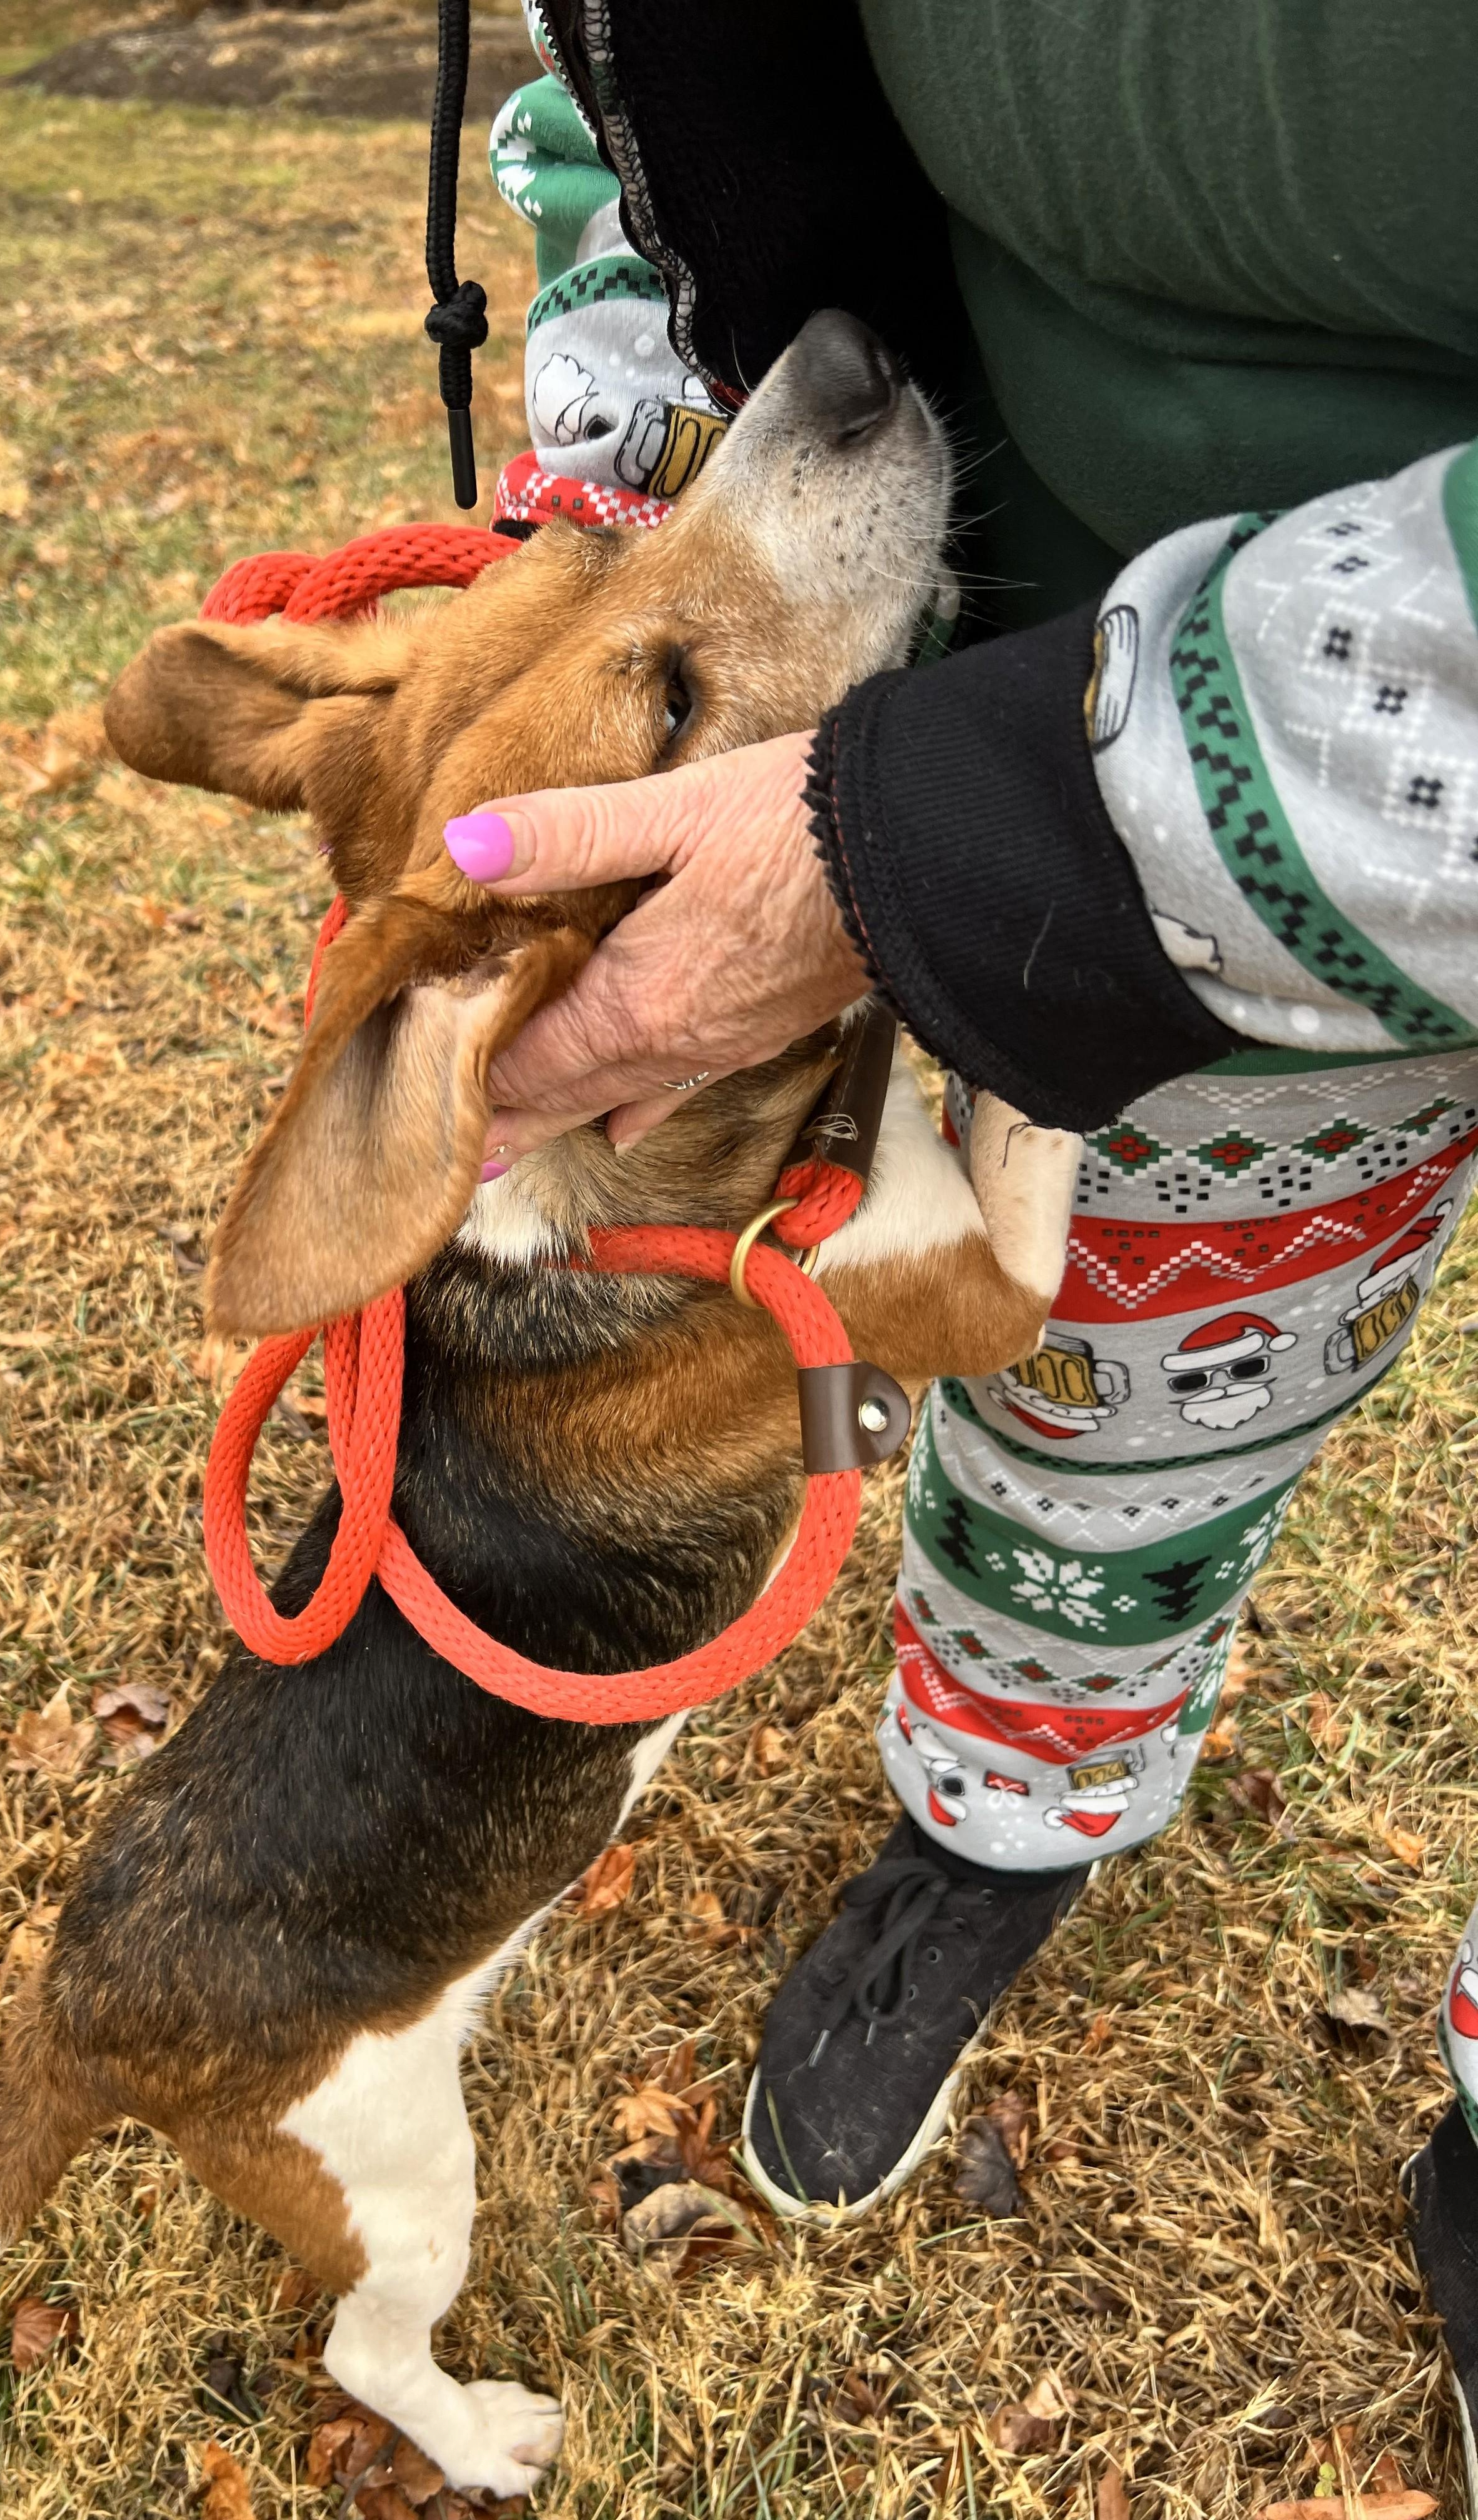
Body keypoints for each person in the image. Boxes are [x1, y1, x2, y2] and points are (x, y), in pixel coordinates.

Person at [438, 0, 1478, 2477]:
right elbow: (636, 82)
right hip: (1070, 679)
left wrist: (1074, 816)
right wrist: (625, 330)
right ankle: (1000, 1824)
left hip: (1143, 768)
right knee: (1112, 1395)